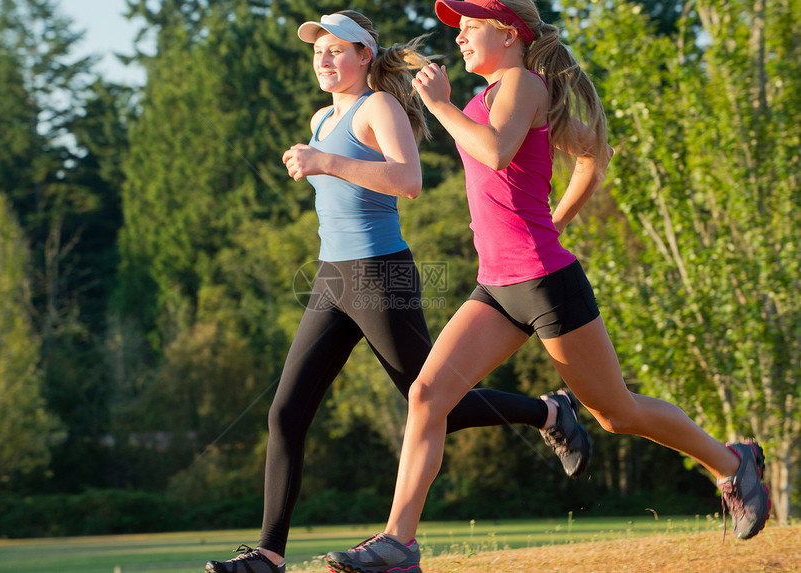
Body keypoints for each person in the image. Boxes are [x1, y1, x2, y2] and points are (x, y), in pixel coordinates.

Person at [324, 1, 772, 572]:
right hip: (497, 286)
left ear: (508, 33)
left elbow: (495, 150)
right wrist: (549, 216)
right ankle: (398, 545)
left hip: (545, 281)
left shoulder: (522, 84)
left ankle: (732, 463)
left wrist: (439, 107)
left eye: (469, 28)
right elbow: (592, 151)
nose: (458, 40)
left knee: (615, 413)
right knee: (427, 396)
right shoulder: (489, 96)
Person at [204, 10, 592, 573]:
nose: (325, 58)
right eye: (319, 50)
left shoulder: (379, 107)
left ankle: (547, 412)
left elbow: (408, 181)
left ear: (365, 56)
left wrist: (325, 162)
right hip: (332, 276)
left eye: (338, 49)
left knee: (433, 403)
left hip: (379, 273)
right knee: (286, 412)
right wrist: (319, 155)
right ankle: (268, 553)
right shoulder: (320, 118)